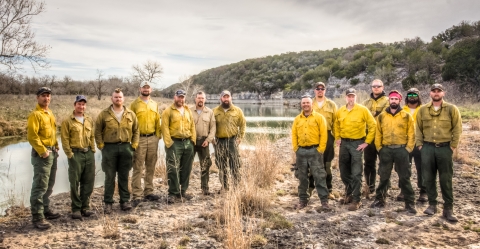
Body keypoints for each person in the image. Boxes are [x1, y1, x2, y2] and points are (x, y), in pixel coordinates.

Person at [415, 84, 462, 222]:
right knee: (428, 177)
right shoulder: (423, 110)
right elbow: (418, 128)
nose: (436, 93)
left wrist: (453, 146)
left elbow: (457, 129)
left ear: (443, 93)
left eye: (439, 91)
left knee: (445, 179)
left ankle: (448, 208)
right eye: (434, 91)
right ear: (430, 93)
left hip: (444, 148)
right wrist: (419, 145)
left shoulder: (451, 109)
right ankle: (432, 205)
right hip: (427, 148)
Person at [370, 91, 417, 214]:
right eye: (392, 99)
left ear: (400, 100)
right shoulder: (382, 116)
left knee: (404, 177)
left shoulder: (406, 116)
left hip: (401, 149)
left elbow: (412, 134)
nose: (394, 101)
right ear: (389, 101)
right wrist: (379, 148)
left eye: (396, 99)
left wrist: (408, 149)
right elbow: (378, 133)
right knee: (384, 176)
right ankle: (380, 199)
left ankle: (410, 203)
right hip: (386, 149)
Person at [95, 88, 139, 214]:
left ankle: (124, 201)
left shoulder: (130, 114)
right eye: (115, 97)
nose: (118, 99)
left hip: (126, 147)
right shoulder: (104, 114)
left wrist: (134, 145)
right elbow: (97, 131)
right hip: (109, 148)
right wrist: (101, 145)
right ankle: (108, 203)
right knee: (109, 176)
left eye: (120, 97)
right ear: (111, 99)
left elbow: (136, 130)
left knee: (124, 176)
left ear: (123, 99)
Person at [334, 88, 376, 211]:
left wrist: (366, 142)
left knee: (356, 172)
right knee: (343, 171)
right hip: (344, 144)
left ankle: (357, 200)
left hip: (357, 143)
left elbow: (372, 125)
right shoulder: (340, 111)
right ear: (345, 97)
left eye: (353, 96)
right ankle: (349, 194)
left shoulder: (363, 110)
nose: (351, 98)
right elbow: (336, 124)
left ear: (355, 97)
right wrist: (337, 137)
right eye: (349, 96)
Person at [27, 87, 61, 230]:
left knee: (49, 184)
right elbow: (32, 136)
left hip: (52, 153)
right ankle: (37, 217)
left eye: (48, 96)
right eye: (43, 96)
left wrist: (56, 146)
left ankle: (45, 210)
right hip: (43, 155)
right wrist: (43, 151)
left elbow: (52, 133)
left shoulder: (49, 113)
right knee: (40, 186)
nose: (46, 98)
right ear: (37, 98)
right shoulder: (35, 115)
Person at [291, 95, 330, 210]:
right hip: (301, 152)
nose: (305, 105)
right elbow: (294, 134)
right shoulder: (297, 119)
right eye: (303, 103)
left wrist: (320, 149)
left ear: (311, 104)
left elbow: (324, 134)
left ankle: (324, 202)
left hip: (315, 151)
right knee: (302, 177)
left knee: (319, 176)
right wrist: (296, 148)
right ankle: (303, 201)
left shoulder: (319, 117)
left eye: (307, 102)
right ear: (301, 104)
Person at [60, 95, 96, 219]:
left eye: (83, 104)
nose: (81, 106)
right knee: (75, 182)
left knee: (88, 182)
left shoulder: (89, 120)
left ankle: (85, 207)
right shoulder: (67, 121)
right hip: (76, 154)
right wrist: (70, 155)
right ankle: (76, 209)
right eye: (79, 104)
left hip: (88, 153)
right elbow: (64, 139)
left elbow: (92, 136)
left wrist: (93, 149)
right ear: (74, 105)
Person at [129, 81, 162, 207]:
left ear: (151, 90)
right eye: (144, 87)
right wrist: (133, 140)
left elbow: (158, 120)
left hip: (153, 138)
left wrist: (158, 136)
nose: (146, 89)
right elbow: (130, 123)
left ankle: (148, 191)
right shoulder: (134, 104)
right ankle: (137, 194)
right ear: (140, 89)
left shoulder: (155, 104)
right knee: (138, 166)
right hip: (140, 139)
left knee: (151, 166)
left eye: (148, 88)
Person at [161, 89, 196, 203]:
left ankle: (183, 191)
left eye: (182, 97)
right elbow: (164, 128)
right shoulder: (168, 111)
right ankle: (173, 193)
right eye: (179, 97)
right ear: (174, 97)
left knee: (186, 168)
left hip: (187, 142)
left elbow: (192, 126)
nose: (181, 99)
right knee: (173, 168)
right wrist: (169, 143)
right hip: (174, 142)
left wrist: (192, 141)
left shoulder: (187, 110)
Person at [397, 88, 427, 202]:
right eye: (410, 94)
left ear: (419, 96)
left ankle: (424, 191)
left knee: (422, 168)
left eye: (415, 94)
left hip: (420, 143)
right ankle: (404, 190)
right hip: (405, 143)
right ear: (406, 97)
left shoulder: (424, 110)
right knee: (404, 168)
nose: (412, 96)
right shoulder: (402, 110)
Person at [213, 90, 246, 191]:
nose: (226, 99)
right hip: (219, 141)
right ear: (221, 98)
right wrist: (212, 139)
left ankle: (236, 187)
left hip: (232, 141)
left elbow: (243, 125)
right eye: (224, 97)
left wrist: (240, 138)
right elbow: (210, 126)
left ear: (231, 98)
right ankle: (225, 187)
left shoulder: (237, 110)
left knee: (235, 164)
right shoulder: (214, 111)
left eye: (228, 97)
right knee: (221, 166)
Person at [311, 82, 337, 199]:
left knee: (327, 165)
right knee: (312, 165)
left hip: (328, 136)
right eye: (318, 89)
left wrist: (337, 138)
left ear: (325, 90)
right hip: (313, 137)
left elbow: (336, 123)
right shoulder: (309, 103)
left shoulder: (331, 104)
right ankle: (309, 190)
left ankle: (328, 190)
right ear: (314, 90)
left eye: (322, 88)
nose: (320, 90)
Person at [362, 79, 389, 194]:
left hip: (383, 135)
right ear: (371, 88)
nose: (376, 88)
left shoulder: (388, 100)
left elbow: (385, 115)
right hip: (369, 135)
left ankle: (384, 188)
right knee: (368, 162)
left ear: (383, 87)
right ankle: (370, 187)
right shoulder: (366, 102)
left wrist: (372, 115)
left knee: (384, 162)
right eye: (374, 86)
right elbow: (363, 117)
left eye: (378, 86)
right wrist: (375, 114)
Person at [192, 91, 216, 195]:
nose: (200, 100)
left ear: (205, 99)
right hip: (191, 141)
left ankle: (205, 188)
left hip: (204, 141)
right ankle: (182, 189)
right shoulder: (188, 111)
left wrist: (208, 140)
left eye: (202, 98)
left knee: (205, 164)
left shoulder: (210, 112)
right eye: (199, 98)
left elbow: (213, 128)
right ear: (195, 99)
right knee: (186, 165)